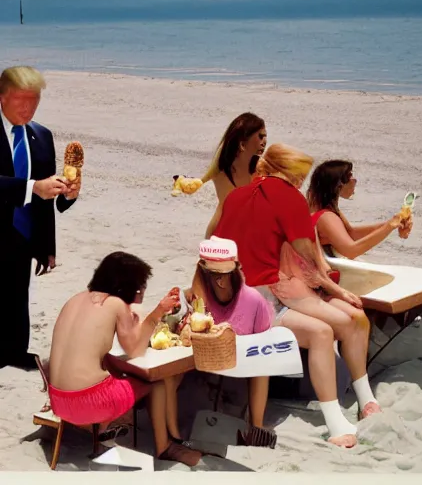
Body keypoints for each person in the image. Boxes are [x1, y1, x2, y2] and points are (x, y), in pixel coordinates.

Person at [213, 143, 382, 448]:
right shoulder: (289, 198)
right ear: (288, 172)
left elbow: (217, 239)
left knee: (337, 325)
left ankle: (347, 412)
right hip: (263, 301)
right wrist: (336, 288)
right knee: (325, 331)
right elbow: (307, 252)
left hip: (234, 295)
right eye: (299, 175)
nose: (302, 182)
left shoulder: (237, 195)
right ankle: (338, 419)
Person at [48, 251, 202, 466]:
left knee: (110, 366)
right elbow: (136, 350)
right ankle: (164, 446)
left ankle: (104, 430)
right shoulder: (116, 305)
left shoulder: (75, 299)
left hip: (57, 400)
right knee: (155, 385)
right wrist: (158, 312)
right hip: (86, 404)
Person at [0, 66, 80, 370]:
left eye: (34, 100)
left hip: (22, 234)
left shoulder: (42, 136)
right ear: (2, 97)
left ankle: (14, 352)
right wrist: (33, 187)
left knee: (18, 293)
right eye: (21, 99)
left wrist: (68, 196)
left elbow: (49, 203)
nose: (28, 107)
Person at [166, 236, 273, 441]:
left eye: (225, 274)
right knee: (171, 365)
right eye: (214, 274)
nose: (220, 280)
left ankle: (257, 427)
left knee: (262, 365)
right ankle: (172, 435)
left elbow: (263, 351)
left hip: (239, 367)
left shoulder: (253, 300)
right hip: (201, 368)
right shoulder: (194, 299)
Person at [307, 159, 413, 259]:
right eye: (349, 176)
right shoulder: (327, 216)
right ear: (337, 185)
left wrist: (395, 223)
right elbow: (351, 251)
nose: (355, 180)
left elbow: (351, 234)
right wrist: (389, 226)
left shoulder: (324, 209)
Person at [197, 112, 267, 238]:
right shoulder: (221, 172)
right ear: (242, 144)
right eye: (260, 137)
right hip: (224, 232)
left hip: (226, 230)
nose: (264, 142)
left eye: (265, 137)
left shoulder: (220, 168)